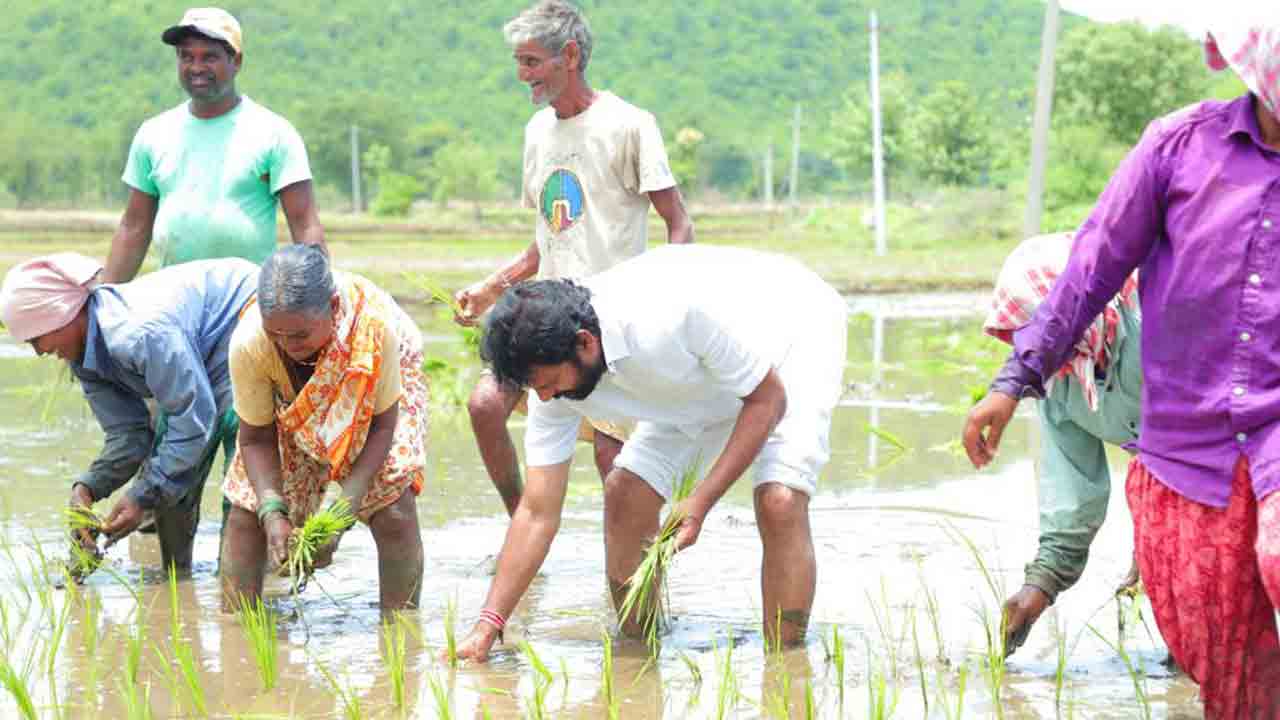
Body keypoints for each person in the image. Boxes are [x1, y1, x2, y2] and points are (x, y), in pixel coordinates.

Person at [962, 22, 1280, 717]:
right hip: (1186, 466)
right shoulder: (1179, 148)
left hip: (1269, 438)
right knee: (1222, 659)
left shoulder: (1133, 336)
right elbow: (1088, 273)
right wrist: (1012, 383)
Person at [455, 245, 847, 661]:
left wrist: (700, 501)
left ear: (584, 343)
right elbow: (536, 513)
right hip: (692, 384)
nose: (546, 398)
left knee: (779, 501)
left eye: (549, 384)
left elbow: (767, 400)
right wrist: (487, 626)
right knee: (625, 493)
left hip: (789, 335)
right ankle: (637, 653)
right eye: (537, 389)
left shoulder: (668, 316)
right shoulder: (553, 382)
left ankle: (784, 665)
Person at [453, 0, 693, 517]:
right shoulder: (537, 133)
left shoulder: (629, 125)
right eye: (518, 62)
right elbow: (551, 237)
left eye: (531, 62)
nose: (522, 75)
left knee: (617, 465)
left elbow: (679, 224)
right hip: (544, 320)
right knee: (485, 405)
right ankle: (522, 518)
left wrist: (671, 309)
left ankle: (636, 573)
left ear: (568, 55)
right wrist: (494, 286)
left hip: (608, 326)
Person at [0, 254, 258, 571]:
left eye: (38, 338)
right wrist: (87, 488)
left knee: (241, 465)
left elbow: (193, 422)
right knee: (171, 463)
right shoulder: (85, 356)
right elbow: (129, 433)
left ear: (64, 315)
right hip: (196, 344)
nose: (39, 351)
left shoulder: (138, 334)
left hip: (244, 317)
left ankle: (238, 594)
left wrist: (141, 497)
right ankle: (177, 579)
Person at [219, 245, 427, 611]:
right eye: (276, 334)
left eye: (299, 335)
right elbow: (254, 439)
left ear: (332, 308)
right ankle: (238, 629)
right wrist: (273, 511)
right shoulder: (251, 342)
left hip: (375, 379)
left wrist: (337, 513)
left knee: (393, 504)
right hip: (290, 394)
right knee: (245, 511)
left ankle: (400, 632)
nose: (287, 345)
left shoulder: (375, 331)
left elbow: (382, 428)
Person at [978, 233, 1143, 656]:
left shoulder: (1153, 326)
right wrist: (1040, 587)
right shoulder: (1060, 383)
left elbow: (1196, 447)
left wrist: (1155, 542)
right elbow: (1072, 494)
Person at [104, 7, 326, 284]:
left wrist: (322, 300)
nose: (196, 68)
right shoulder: (154, 133)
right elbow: (134, 227)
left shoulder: (274, 133)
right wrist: (103, 299)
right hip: (173, 300)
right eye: (186, 56)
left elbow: (305, 224)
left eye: (209, 57)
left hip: (246, 301)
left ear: (237, 61)